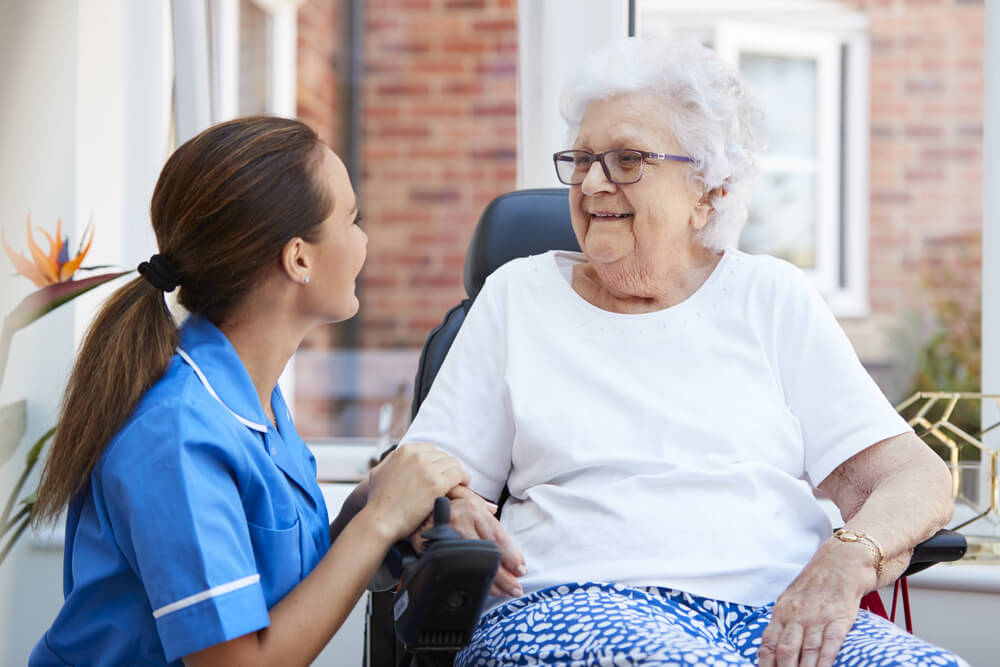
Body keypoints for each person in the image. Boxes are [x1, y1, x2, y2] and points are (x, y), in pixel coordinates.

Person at [399, 37, 967, 666]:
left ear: (709, 191)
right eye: (582, 158)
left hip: (777, 612)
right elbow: (423, 480)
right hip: (576, 602)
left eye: (626, 160)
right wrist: (450, 507)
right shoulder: (519, 297)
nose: (591, 183)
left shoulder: (770, 296)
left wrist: (848, 556)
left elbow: (914, 477)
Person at [28, 116, 469, 666]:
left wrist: (372, 504)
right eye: (352, 220)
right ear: (299, 258)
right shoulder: (177, 433)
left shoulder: (250, 402)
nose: (363, 241)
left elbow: (270, 585)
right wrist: (379, 523)